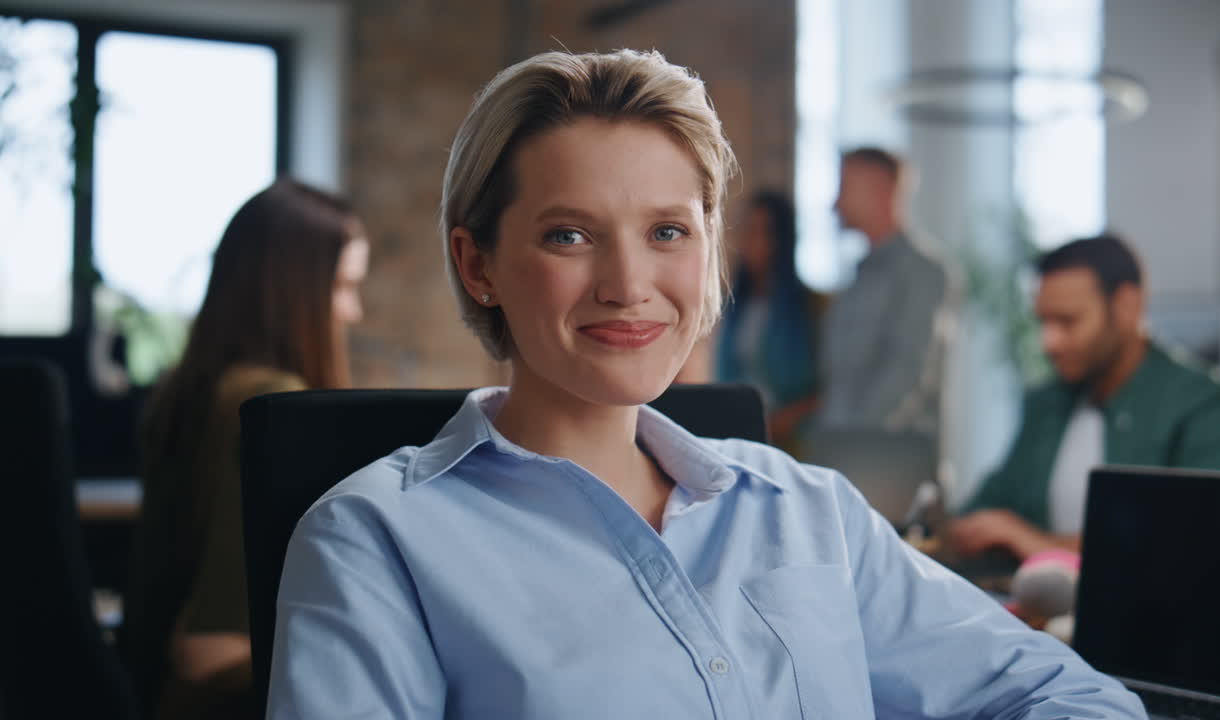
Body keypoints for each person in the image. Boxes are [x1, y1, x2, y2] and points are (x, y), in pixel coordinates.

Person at [267, 49, 1144, 718]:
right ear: (478, 263)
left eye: (667, 233)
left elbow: (1077, 699)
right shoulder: (375, 541)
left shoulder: (811, 513)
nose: (628, 285)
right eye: (570, 235)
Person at [125, 178, 369, 720]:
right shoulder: (269, 401)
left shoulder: (191, 389)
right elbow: (209, 652)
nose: (353, 312)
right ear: (291, 289)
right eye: (341, 286)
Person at [951, 233, 1220, 561]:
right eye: (1044, 322)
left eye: (1067, 321)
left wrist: (1033, 543)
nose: (1049, 342)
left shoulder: (1211, 410)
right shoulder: (1046, 404)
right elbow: (985, 509)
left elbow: (1201, 545)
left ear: (1127, 306)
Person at [773, 147, 949, 441]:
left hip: (884, 454)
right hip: (841, 447)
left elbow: (907, 372)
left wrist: (852, 440)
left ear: (880, 188)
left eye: (845, 187)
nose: (836, 203)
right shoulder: (860, 275)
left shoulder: (923, 272)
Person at [714, 189, 817, 446]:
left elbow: (826, 388)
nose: (749, 241)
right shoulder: (734, 305)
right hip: (739, 429)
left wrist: (778, 422)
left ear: (781, 239)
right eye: (746, 230)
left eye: (760, 231)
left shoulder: (812, 306)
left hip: (792, 434)